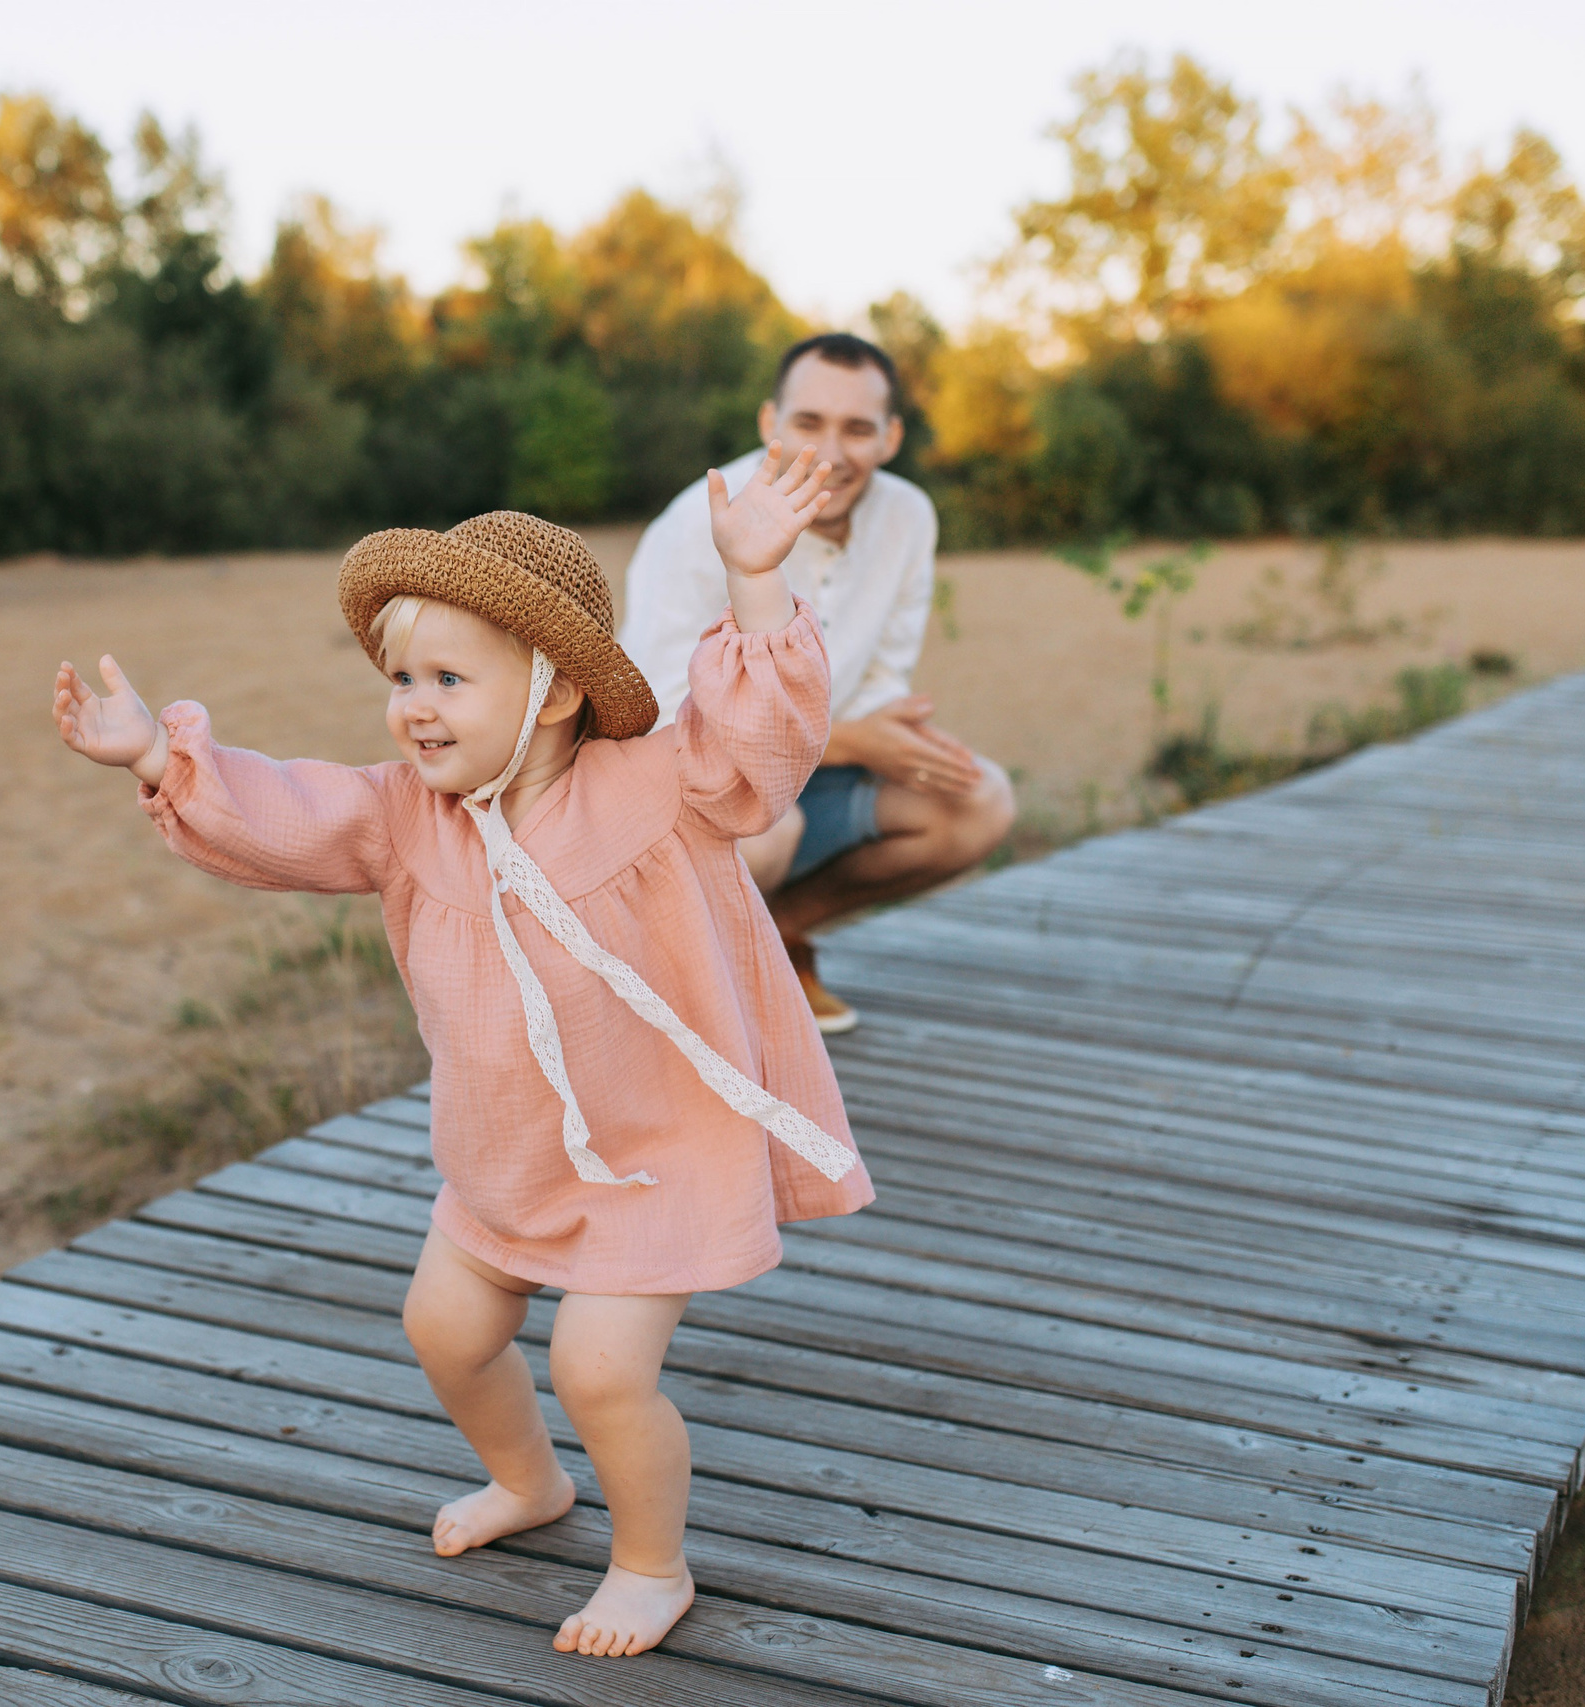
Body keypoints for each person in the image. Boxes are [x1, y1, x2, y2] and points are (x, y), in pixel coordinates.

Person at [50, 449, 872, 1659]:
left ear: (552, 689)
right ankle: (530, 1482)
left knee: (600, 1371)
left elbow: (763, 745)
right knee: (444, 1331)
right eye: (400, 678)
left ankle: (651, 1566)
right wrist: (153, 759)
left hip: (656, 1154)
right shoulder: (403, 816)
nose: (413, 706)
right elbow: (282, 815)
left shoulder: (659, 785)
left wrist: (754, 579)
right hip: (504, 1156)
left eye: (447, 678)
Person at [620, 333, 1014, 1034]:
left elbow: (883, 672)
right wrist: (851, 741)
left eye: (858, 428)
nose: (832, 452)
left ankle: (777, 939)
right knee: (771, 831)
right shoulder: (696, 522)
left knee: (980, 799)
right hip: (691, 784)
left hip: (813, 770)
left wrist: (895, 735)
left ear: (891, 437)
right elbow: (660, 712)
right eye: (809, 422)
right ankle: (684, 993)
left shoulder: (908, 516)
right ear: (770, 421)